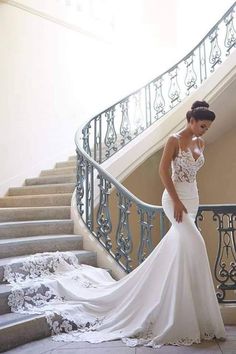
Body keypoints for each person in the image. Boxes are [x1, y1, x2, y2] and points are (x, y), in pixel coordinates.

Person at [5, 100, 226, 349]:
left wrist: (188, 199)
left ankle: (194, 316)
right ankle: (179, 315)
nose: (203, 131)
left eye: (207, 128)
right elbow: (164, 172)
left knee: (183, 251)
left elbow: (194, 172)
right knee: (196, 244)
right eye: (202, 126)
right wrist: (175, 201)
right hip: (174, 200)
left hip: (193, 199)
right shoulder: (174, 140)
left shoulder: (200, 142)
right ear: (191, 121)